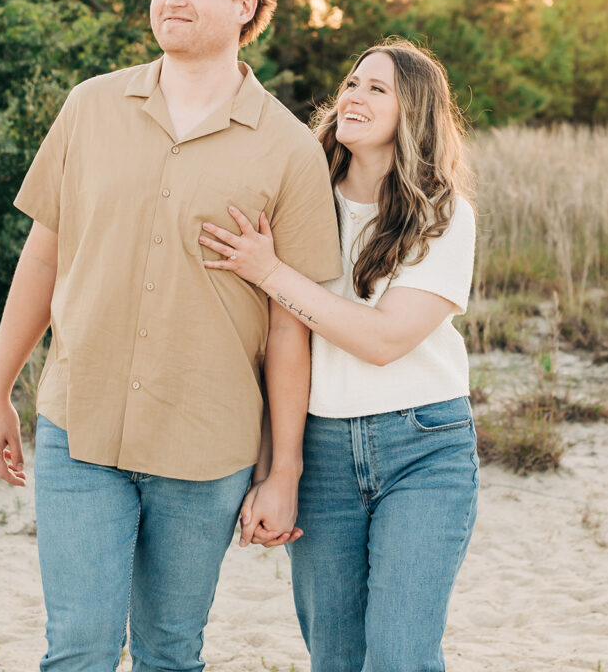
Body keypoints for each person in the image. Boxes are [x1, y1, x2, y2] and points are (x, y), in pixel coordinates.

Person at [0, 0, 342, 672]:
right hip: (82, 428)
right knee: (75, 648)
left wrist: (282, 472)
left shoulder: (288, 149)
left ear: (246, 5)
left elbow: (289, 326)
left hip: (206, 448)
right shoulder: (90, 106)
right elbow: (42, 259)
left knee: (170, 653)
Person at [201, 39, 479, 672]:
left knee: (400, 655)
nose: (355, 96)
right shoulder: (304, 200)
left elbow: (383, 341)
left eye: (378, 88)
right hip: (321, 450)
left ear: (415, 112)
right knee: (336, 657)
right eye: (353, 84)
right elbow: (286, 341)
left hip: (425, 447)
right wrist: (279, 468)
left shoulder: (443, 215)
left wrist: (271, 272)